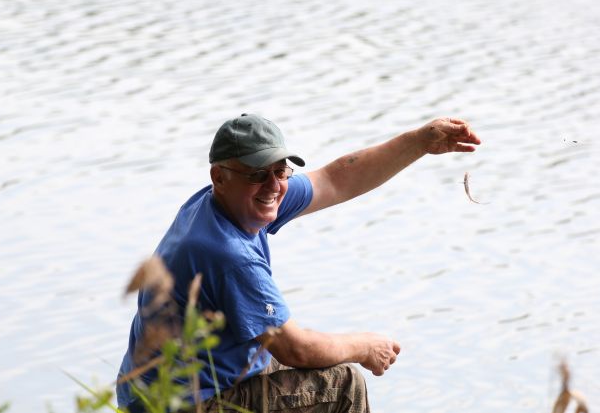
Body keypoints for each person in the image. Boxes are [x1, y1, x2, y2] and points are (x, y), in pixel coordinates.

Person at [117, 113, 481, 412]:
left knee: (305, 364)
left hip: (156, 390)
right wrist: (366, 346)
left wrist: (420, 141)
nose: (273, 185)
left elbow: (336, 179)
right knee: (343, 383)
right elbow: (297, 349)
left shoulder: (224, 204)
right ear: (219, 177)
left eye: (280, 171)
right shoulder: (229, 255)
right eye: (258, 173)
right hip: (184, 406)